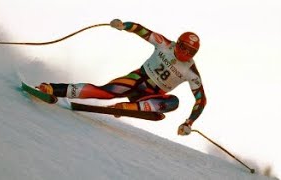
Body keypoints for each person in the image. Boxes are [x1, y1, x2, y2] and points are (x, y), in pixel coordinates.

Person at [38, 19, 207, 136]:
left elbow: (201, 100)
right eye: (183, 47)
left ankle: (128, 107)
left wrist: (188, 123)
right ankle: (53, 88)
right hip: (135, 81)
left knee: (174, 102)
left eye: (190, 52)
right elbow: (142, 30)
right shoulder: (164, 43)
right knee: (104, 92)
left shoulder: (191, 72)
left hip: (150, 97)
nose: (185, 53)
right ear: (178, 43)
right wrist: (123, 25)